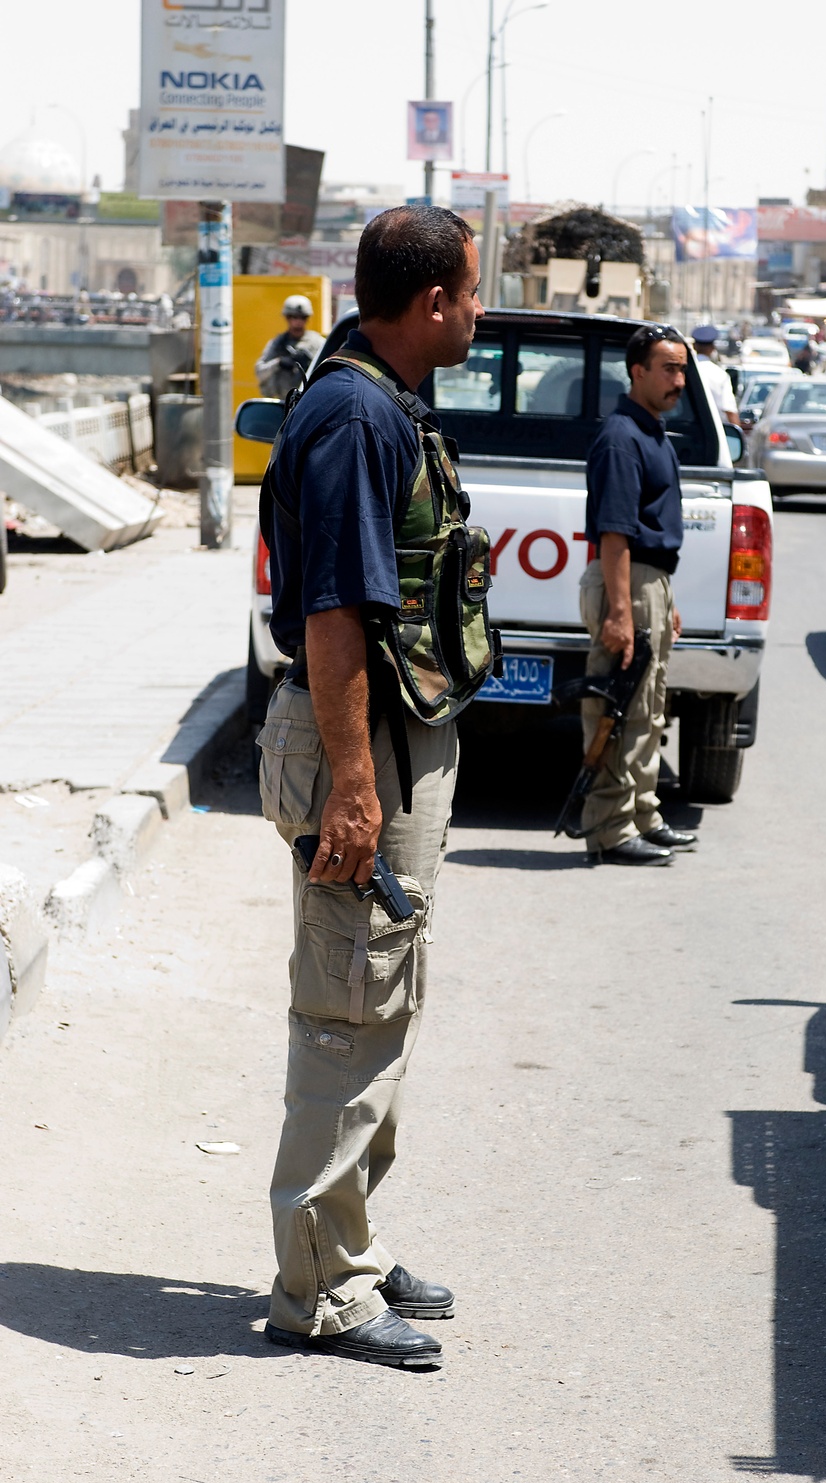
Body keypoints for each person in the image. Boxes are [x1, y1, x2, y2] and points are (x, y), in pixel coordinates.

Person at [257, 206, 485, 1369]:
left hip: (389, 740)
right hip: (363, 747)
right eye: (471, 294)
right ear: (433, 303)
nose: (479, 313)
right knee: (348, 1009)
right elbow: (337, 613)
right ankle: (321, 1290)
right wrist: (353, 786)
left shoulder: (374, 397)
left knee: (382, 999)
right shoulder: (353, 415)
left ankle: (347, 1238)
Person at [579, 324, 698, 867]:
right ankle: (609, 828)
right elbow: (616, 533)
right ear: (638, 372)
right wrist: (623, 612)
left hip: (648, 581)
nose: (680, 379)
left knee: (648, 708)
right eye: (669, 369)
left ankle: (642, 814)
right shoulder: (621, 436)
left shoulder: (652, 431)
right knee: (618, 705)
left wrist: (663, 601)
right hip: (624, 578)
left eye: (683, 369)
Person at [255, 294, 325, 399]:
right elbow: (260, 372)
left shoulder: (317, 343)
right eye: (294, 317)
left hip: (310, 400)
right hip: (283, 403)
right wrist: (279, 362)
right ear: (287, 318)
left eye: (303, 318)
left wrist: (310, 365)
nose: (298, 322)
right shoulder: (278, 343)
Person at [690, 324, 739, 427]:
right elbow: (729, 410)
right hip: (712, 433)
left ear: (694, 346)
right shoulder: (720, 375)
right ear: (713, 348)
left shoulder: (684, 371)